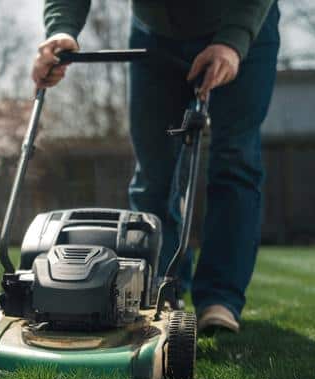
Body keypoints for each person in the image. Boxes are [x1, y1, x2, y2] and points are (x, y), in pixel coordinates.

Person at [32, 0, 280, 333]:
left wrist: (233, 41)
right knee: (153, 174)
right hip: (154, 34)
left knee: (234, 162)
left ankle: (220, 299)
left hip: (241, 24)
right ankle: (162, 292)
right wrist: (62, 29)